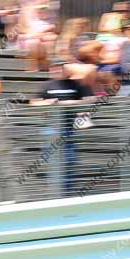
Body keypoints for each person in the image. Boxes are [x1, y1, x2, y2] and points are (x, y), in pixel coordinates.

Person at [29, 60, 96, 195]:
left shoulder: (76, 84)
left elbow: (91, 99)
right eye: (54, 68)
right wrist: (48, 103)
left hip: (69, 128)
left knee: (70, 160)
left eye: (60, 68)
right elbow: (33, 102)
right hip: (51, 128)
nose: (57, 70)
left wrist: (71, 103)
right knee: (52, 159)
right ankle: (55, 190)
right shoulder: (47, 85)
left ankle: (66, 191)